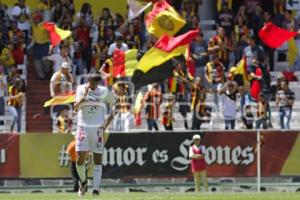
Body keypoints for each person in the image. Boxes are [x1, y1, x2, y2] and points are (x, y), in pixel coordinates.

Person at [74, 70, 117, 197]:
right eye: (91, 82)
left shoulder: (103, 91)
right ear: (88, 80)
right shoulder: (81, 89)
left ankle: (96, 190)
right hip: (83, 127)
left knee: (98, 159)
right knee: (79, 159)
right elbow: (75, 107)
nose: (93, 85)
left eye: (95, 83)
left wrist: (106, 123)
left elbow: (116, 105)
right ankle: (83, 182)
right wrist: (84, 96)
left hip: (97, 129)